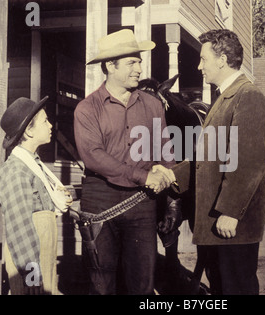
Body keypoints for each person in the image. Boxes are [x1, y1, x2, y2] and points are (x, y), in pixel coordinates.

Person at [154, 29, 265, 295]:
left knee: (236, 288)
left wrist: (230, 211)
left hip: (232, 225)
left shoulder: (247, 96)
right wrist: (172, 175)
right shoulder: (224, 98)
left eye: (203, 59)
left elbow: (248, 161)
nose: (199, 66)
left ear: (221, 59)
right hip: (217, 224)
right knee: (220, 289)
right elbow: (207, 158)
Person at [73, 29, 176, 295]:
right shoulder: (87, 109)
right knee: (103, 285)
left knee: (142, 283)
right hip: (100, 204)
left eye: (139, 61)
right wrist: (144, 176)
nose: (139, 69)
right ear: (110, 65)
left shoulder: (153, 105)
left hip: (142, 205)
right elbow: (94, 156)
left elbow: (165, 150)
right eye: (132, 62)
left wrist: (167, 177)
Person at [0, 96, 73, 295]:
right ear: (28, 131)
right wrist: (32, 278)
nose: (51, 125)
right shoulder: (16, 172)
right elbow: (20, 230)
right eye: (45, 121)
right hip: (30, 264)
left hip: (42, 256)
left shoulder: (34, 165)